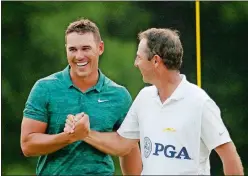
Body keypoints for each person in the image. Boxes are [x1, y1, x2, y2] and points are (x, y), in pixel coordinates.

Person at [65, 28, 244, 175]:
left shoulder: (200, 102)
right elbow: (122, 144)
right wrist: (84, 133)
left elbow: (229, 157)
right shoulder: (144, 98)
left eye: (139, 57)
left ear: (156, 61)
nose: (136, 63)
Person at [20, 18, 142, 175]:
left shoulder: (119, 95)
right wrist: (69, 137)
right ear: (66, 50)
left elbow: (129, 150)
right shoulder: (44, 88)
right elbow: (28, 145)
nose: (79, 56)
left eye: (86, 48)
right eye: (72, 49)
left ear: (100, 48)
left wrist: (85, 134)